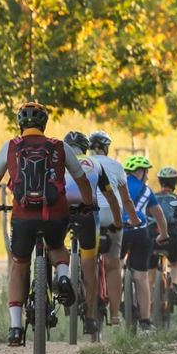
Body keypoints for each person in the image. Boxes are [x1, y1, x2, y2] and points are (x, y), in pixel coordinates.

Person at [0, 102, 96, 347]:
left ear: (20, 124)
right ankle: (63, 276)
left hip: (22, 217)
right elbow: (82, 180)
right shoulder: (59, 147)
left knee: (19, 264)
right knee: (56, 246)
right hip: (55, 215)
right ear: (44, 124)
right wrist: (86, 204)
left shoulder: (10, 147)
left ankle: (14, 327)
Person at [62, 131, 122, 335]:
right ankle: (89, 317)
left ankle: (59, 275)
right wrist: (118, 222)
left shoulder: (57, 160)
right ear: (85, 149)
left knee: (55, 247)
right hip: (88, 217)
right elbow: (111, 198)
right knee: (90, 267)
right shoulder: (95, 164)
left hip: (61, 213)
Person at [88, 130, 140, 326]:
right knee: (113, 265)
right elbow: (126, 199)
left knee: (89, 263)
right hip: (111, 213)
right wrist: (135, 221)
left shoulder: (85, 163)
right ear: (107, 148)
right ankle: (116, 315)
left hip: (89, 214)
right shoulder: (117, 166)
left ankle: (89, 310)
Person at [120, 155, 171, 334]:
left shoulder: (116, 185)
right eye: (146, 172)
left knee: (114, 266)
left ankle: (116, 298)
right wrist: (163, 234)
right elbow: (159, 216)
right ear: (139, 172)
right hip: (139, 232)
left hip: (118, 232)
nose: (147, 176)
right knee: (141, 278)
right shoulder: (146, 190)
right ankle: (145, 322)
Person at [149, 167, 177, 306]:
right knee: (176, 263)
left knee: (150, 269)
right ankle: (172, 284)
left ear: (160, 182)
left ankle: (149, 299)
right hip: (172, 237)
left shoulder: (152, 197)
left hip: (153, 237)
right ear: (175, 183)